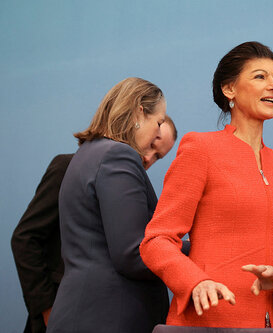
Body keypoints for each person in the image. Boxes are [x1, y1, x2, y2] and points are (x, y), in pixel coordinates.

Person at [140, 41, 273, 328]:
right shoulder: (201, 149)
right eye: (260, 76)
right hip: (208, 322)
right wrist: (195, 282)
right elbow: (157, 240)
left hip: (272, 324)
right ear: (230, 90)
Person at [10, 116, 177, 333]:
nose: (148, 157)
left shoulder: (133, 191)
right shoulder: (68, 167)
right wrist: (46, 307)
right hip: (67, 311)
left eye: (158, 156)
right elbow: (25, 238)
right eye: (152, 144)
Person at [46, 77, 174, 333]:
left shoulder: (88, 153)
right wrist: (196, 252)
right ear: (139, 110)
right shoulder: (118, 155)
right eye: (158, 122)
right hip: (108, 317)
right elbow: (132, 254)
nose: (158, 133)